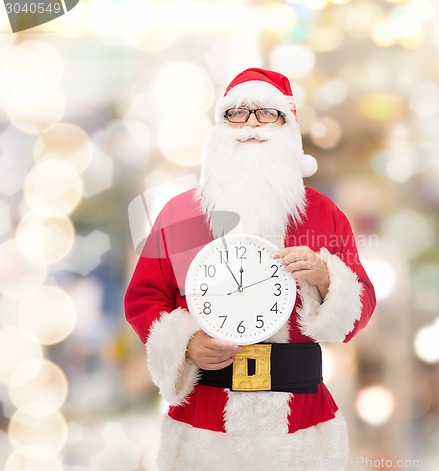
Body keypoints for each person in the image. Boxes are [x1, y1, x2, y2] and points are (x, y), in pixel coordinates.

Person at [124, 68, 376, 470]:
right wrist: (185, 343)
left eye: (267, 113)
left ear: (288, 128)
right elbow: (144, 298)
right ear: (220, 128)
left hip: (301, 426)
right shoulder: (181, 215)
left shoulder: (323, 215)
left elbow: (361, 305)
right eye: (237, 113)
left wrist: (327, 279)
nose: (252, 124)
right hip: (205, 426)